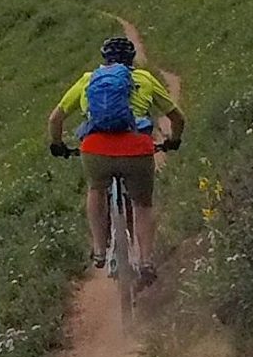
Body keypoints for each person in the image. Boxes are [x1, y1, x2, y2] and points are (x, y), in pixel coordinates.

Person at [48, 35, 183, 284]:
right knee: (142, 204)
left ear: (105, 60)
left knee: (96, 189)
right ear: (132, 59)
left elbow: (55, 120)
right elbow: (177, 118)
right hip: (137, 149)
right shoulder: (144, 79)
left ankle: (99, 249)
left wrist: (58, 145)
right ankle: (145, 260)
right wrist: (173, 141)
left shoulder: (89, 80)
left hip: (96, 149)